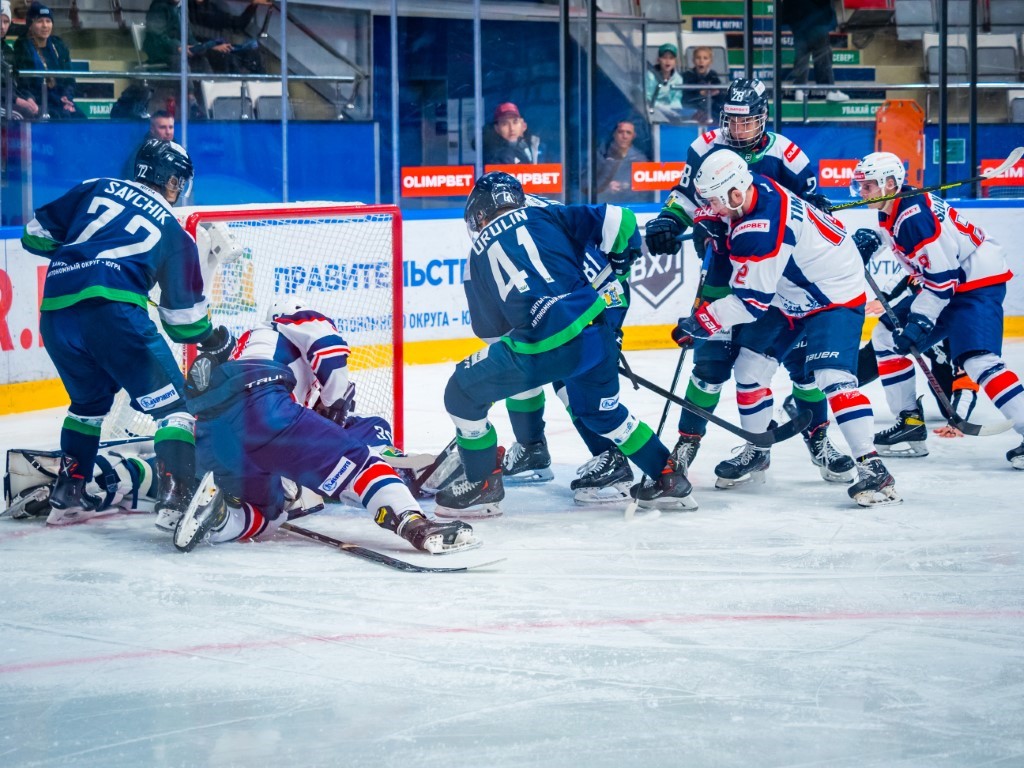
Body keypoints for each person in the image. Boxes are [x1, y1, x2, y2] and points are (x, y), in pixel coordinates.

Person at [434, 171, 694, 518]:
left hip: (550, 336)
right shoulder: (543, 209)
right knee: (601, 410)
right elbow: (621, 219)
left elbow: (498, 336)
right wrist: (623, 259)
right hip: (598, 314)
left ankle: (485, 482)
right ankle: (667, 476)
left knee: (463, 391)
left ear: (478, 213)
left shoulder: (477, 251)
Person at [644, 78, 855, 488]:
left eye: (747, 122)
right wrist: (670, 220)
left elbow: (810, 214)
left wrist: (822, 209)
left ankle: (820, 441)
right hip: (722, 268)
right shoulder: (704, 146)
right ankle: (688, 444)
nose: (738, 130)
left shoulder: (788, 156)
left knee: (802, 366)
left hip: (781, 278)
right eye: (732, 121)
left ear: (763, 118)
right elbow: (687, 194)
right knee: (708, 365)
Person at [20, 139, 232, 525]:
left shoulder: (96, 185)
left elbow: (34, 235)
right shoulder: (174, 231)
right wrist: (214, 338)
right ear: (170, 180)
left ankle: (69, 491)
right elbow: (182, 322)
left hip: (56, 312)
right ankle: (175, 497)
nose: (179, 188)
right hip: (114, 316)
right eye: (178, 181)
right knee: (176, 411)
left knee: (88, 406)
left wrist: (83, 261)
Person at [671, 150, 899, 506]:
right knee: (749, 369)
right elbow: (731, 223)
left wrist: (699, 322)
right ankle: (758, 448)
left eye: (715, 201)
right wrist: (710, 218)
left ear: (734, 193)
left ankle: (873, 468)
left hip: (832, 295)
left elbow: (749, 303)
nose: (712, 207)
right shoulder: (754, 186)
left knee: (832, 377)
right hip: (791, 290)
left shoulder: (759, 229)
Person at [173, 301, 479, 555]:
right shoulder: (291, 318)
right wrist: (333, 403)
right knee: (361, 462)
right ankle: (415, 523)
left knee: (268, 515)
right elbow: (329, 355)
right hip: (261, 403)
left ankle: (221, 519)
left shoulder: (248, 347)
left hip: (213, 431)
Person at [849, 151, 1024, 469]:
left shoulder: (915, 215)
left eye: (868, 186)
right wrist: (872, 239)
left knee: (978, 360)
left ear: (890, 183)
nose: (862, 192)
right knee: (886, 335)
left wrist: (919, 321)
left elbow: (942, 281)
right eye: (860, 185)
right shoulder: (893, 206)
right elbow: (916, 256)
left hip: (975, 284)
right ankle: (910, 425)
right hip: (947, 283)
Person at [11, 2, 84, 119]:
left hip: (61, 101)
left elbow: (69, 78)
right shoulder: (22, 47)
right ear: (30, 25)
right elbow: (23, 85)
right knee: (57, 117)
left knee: (80, 118)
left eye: (48, 21)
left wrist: (67, 97)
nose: (45, 25)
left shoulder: (59, 45)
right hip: (38, 102)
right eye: (40, 21)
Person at [780, 0, 849, 103]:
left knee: (802, 55)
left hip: (798, 20)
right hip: (815, 19)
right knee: (822, 55)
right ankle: (829, 90)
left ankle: (800, 89)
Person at [188, 0, 269, 75]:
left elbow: (236, 24)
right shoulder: (186, 10)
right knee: (230, 60)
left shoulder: (211, 8)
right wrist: (212, 47)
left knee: (253, 49)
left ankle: (263, 87)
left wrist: (253, 5)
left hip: (221, 46)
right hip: (204, 50)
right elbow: (189, 41)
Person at [595, 119, 648, 205]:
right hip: (605, 205)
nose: (624, 136)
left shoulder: (640, 159)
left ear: (633, 136)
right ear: (614, 134)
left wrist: (627, 187)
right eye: (621, 132)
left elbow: (645, 190)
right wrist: (606, 187)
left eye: (628, 133)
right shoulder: (600, 155)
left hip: (632, 206)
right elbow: (586, 183)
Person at [2, 0, 38, 119]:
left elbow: (18, 82)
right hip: (5, 100)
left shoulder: (8, 50)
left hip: (8, 99)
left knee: (40, 113)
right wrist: (16, 100)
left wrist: (29, 98)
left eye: (5, 22)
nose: (2, 26)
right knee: (20, 116)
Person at [681, 46, 724, 122]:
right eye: (698, 58)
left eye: (705, 58)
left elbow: (719, 91)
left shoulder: (713, 75)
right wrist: (700, 93)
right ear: (693, 60)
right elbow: (685, 96)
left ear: (710, 61)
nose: (701, 61)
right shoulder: (687, 75)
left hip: (709, 110)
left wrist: (717, 92)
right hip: (692, 109)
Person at [645, 42, 684, 121]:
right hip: (652, 111)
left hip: (670, 113)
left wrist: (675, 109)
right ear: (658, 60)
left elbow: (676, 98)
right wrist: (661, 107)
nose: (668, 61)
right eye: (664, 57)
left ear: (675, 61)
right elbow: (647, 98)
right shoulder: (650, 76)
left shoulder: (678, 79)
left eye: (671, 58)